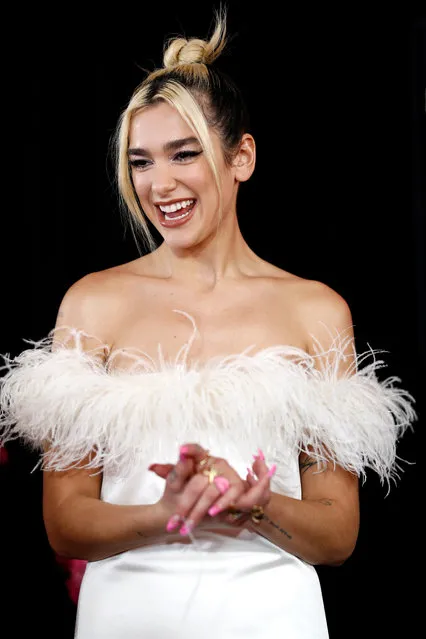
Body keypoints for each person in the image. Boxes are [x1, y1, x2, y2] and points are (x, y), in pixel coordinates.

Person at [0, 9, 417, 639]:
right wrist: (166, 512)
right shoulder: (93, 304)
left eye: (184, 154)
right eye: (140, 162)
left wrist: (256, 506)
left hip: (274, 617)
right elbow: (66, 522)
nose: (159, 184)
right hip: (126, 618)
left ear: (241, 156)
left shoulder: (316, 311)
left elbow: (337, 536)